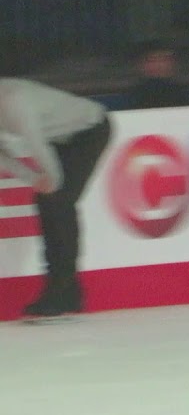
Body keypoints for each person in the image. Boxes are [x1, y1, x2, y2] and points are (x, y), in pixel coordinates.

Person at [0, 48, 113, 320]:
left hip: (90, 129)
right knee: (51, 201)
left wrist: (51, 178)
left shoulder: (13, 100)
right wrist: (33, 179)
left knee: (58, 202)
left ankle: (60, 292)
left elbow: (34, 142)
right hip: (60, 140)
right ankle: (68, 291)